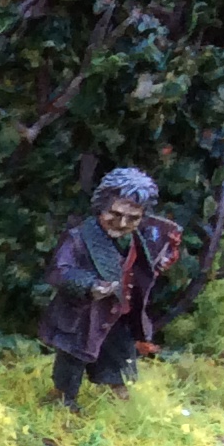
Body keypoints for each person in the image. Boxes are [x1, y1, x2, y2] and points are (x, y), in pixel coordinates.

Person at [39, 167, 182, 412]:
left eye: (133, 218)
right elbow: (59, 271)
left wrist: (161, 260)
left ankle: (117, 399)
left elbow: (145, 264)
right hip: (83, 315)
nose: (122, 223)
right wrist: (89, 285)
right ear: (101, 207)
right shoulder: (79, 238)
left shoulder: (139, 239)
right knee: (72, 360)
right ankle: (62, 401)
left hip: (119, 314)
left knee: (119, 356)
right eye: (115, 214)